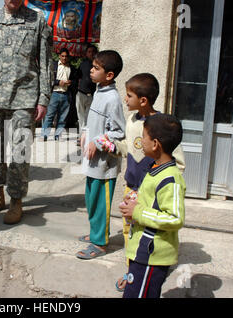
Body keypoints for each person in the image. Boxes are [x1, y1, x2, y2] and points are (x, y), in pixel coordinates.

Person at [0, 0, 53, 225]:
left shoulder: (37, 21)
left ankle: (16, 200)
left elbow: (46, 62)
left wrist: (44, 98)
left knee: (20, 151)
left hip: (25, 97)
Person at [102, 73, 185, 291]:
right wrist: (112, 147)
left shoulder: (161, 127)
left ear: (143, 100)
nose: (125, 99)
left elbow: (178, 165)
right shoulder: (131, 121)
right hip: (133, 190)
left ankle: (140, 275)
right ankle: (133, 272)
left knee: (143, 231)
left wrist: (156, 188)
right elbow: (130, 149)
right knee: (131, 233)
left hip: (149, 196)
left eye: (128, 95)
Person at [119, 113, 186, 298]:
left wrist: (137, 211)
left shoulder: (171, 179)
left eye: (144, 137)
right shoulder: (155, 168)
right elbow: (151, 201)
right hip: (142, 252)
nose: (140, 141)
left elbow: (175, 218)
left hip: (152, 255)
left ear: (155, 144)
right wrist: (136, 200)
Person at [76, 50, 125, 260]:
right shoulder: (99, 91)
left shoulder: (113, 99)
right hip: (92, 162)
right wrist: (86, 132)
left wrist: (97, 141)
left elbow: (119, 132)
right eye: (93, 67)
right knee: (91, 200)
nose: (92, 71)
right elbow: (91, 119)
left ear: (109, 75)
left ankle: (100, 243)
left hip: (105, 166)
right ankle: (96, 233)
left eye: (97, 68)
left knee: (100, 202)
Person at [41, 48, 77, 141]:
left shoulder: (72, 68)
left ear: (68, 57)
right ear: (59, 56)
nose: (64, 58)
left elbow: (75, 81)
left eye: (66, 56)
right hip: (55, 93)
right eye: (63, 56)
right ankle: (44, 135)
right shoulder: (54, 66)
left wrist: (71, 82)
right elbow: (49, 79)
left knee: (63, 117)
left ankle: (58, 136)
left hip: (66, 94)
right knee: (50, 115)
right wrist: (58, 82)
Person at [76, 44, 97, 143]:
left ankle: (85, 137)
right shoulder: (83, 64)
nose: (91, 53)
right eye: (89, 52)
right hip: (81, 94)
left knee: (88, 118)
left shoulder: (97, 65)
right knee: (80, 117)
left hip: (92, 95)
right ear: (86, 53)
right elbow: (77, 76)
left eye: (93, 51)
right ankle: (81, 137)